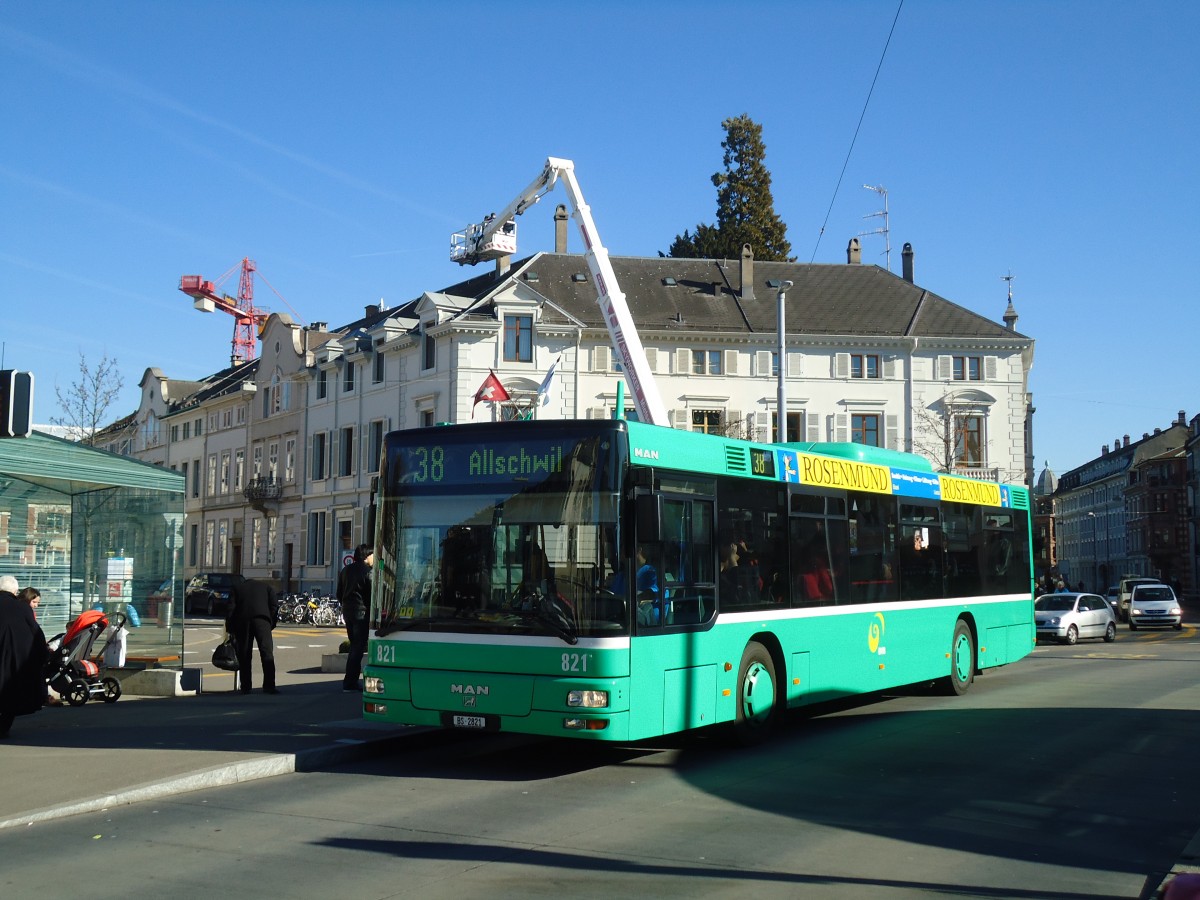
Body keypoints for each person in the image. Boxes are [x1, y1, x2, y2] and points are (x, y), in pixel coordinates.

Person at [1, 575, 49, 737]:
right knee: (10, 698)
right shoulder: (22, 608)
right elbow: (36, 634)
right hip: (15, 662)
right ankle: (3, 727)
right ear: (15, 591)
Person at [226, 578, 280, 695]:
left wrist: (230, 628)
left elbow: (230, 609)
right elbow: (274, 606)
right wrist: (270, 622)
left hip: (242, 621)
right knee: (267, 653)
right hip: (262, 619)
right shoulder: (267, 587)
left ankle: (246, 687)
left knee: (244, 654)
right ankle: (269, 685)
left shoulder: (237, 588)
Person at [337, 543, 373, 692]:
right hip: (362, 612)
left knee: (354, 646)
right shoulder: (368, 572)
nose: (374, 558)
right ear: (366, 556)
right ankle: (350, 682)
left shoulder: (345, 570)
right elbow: (372, 595)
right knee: (358, 647)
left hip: (347, 611)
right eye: (373, 555)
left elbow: (339, 593)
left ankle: (349, 681)